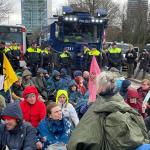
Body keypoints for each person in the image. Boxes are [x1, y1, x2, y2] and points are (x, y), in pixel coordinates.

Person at [67, 71, 148, 150]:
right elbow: (143, 131)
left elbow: (75, 143)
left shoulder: (94, 111)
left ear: (99, 88)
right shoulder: (126, 106)